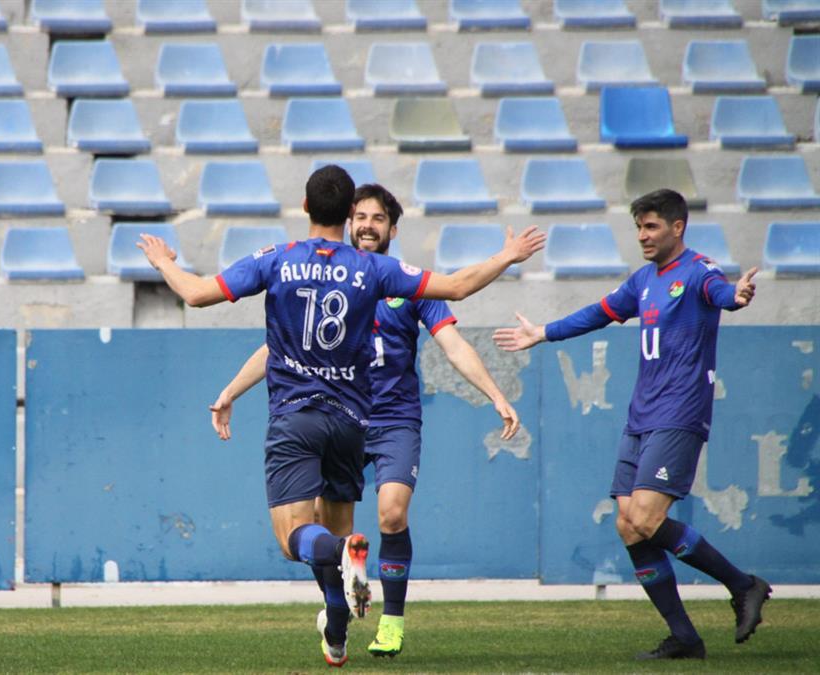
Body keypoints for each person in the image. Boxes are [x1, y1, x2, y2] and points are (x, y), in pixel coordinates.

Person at [137, 165, 544, 666]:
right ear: (348, 214)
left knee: (296, 540)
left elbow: (197, 294)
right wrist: (506, 255)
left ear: (305, 207)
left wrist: (162, 262)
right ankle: (336, 623)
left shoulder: (277, 260)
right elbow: (458, 286)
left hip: (295, 416)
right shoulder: (373, 271)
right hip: (351, 424)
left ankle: (343, 556)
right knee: (335, 533)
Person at [493, 189, 769, 661]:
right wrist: (542, 333)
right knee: (628, 525)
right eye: (639, 227)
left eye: (652, 226)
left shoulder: (699, 272)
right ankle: (684, 637)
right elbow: (598, 314)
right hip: (641, 415)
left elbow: (723, 295)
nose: (643, 235)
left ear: (678, 227)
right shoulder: (643, 279)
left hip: (679, 412)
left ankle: (743, 586)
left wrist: (738, 296)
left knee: (645, 518)